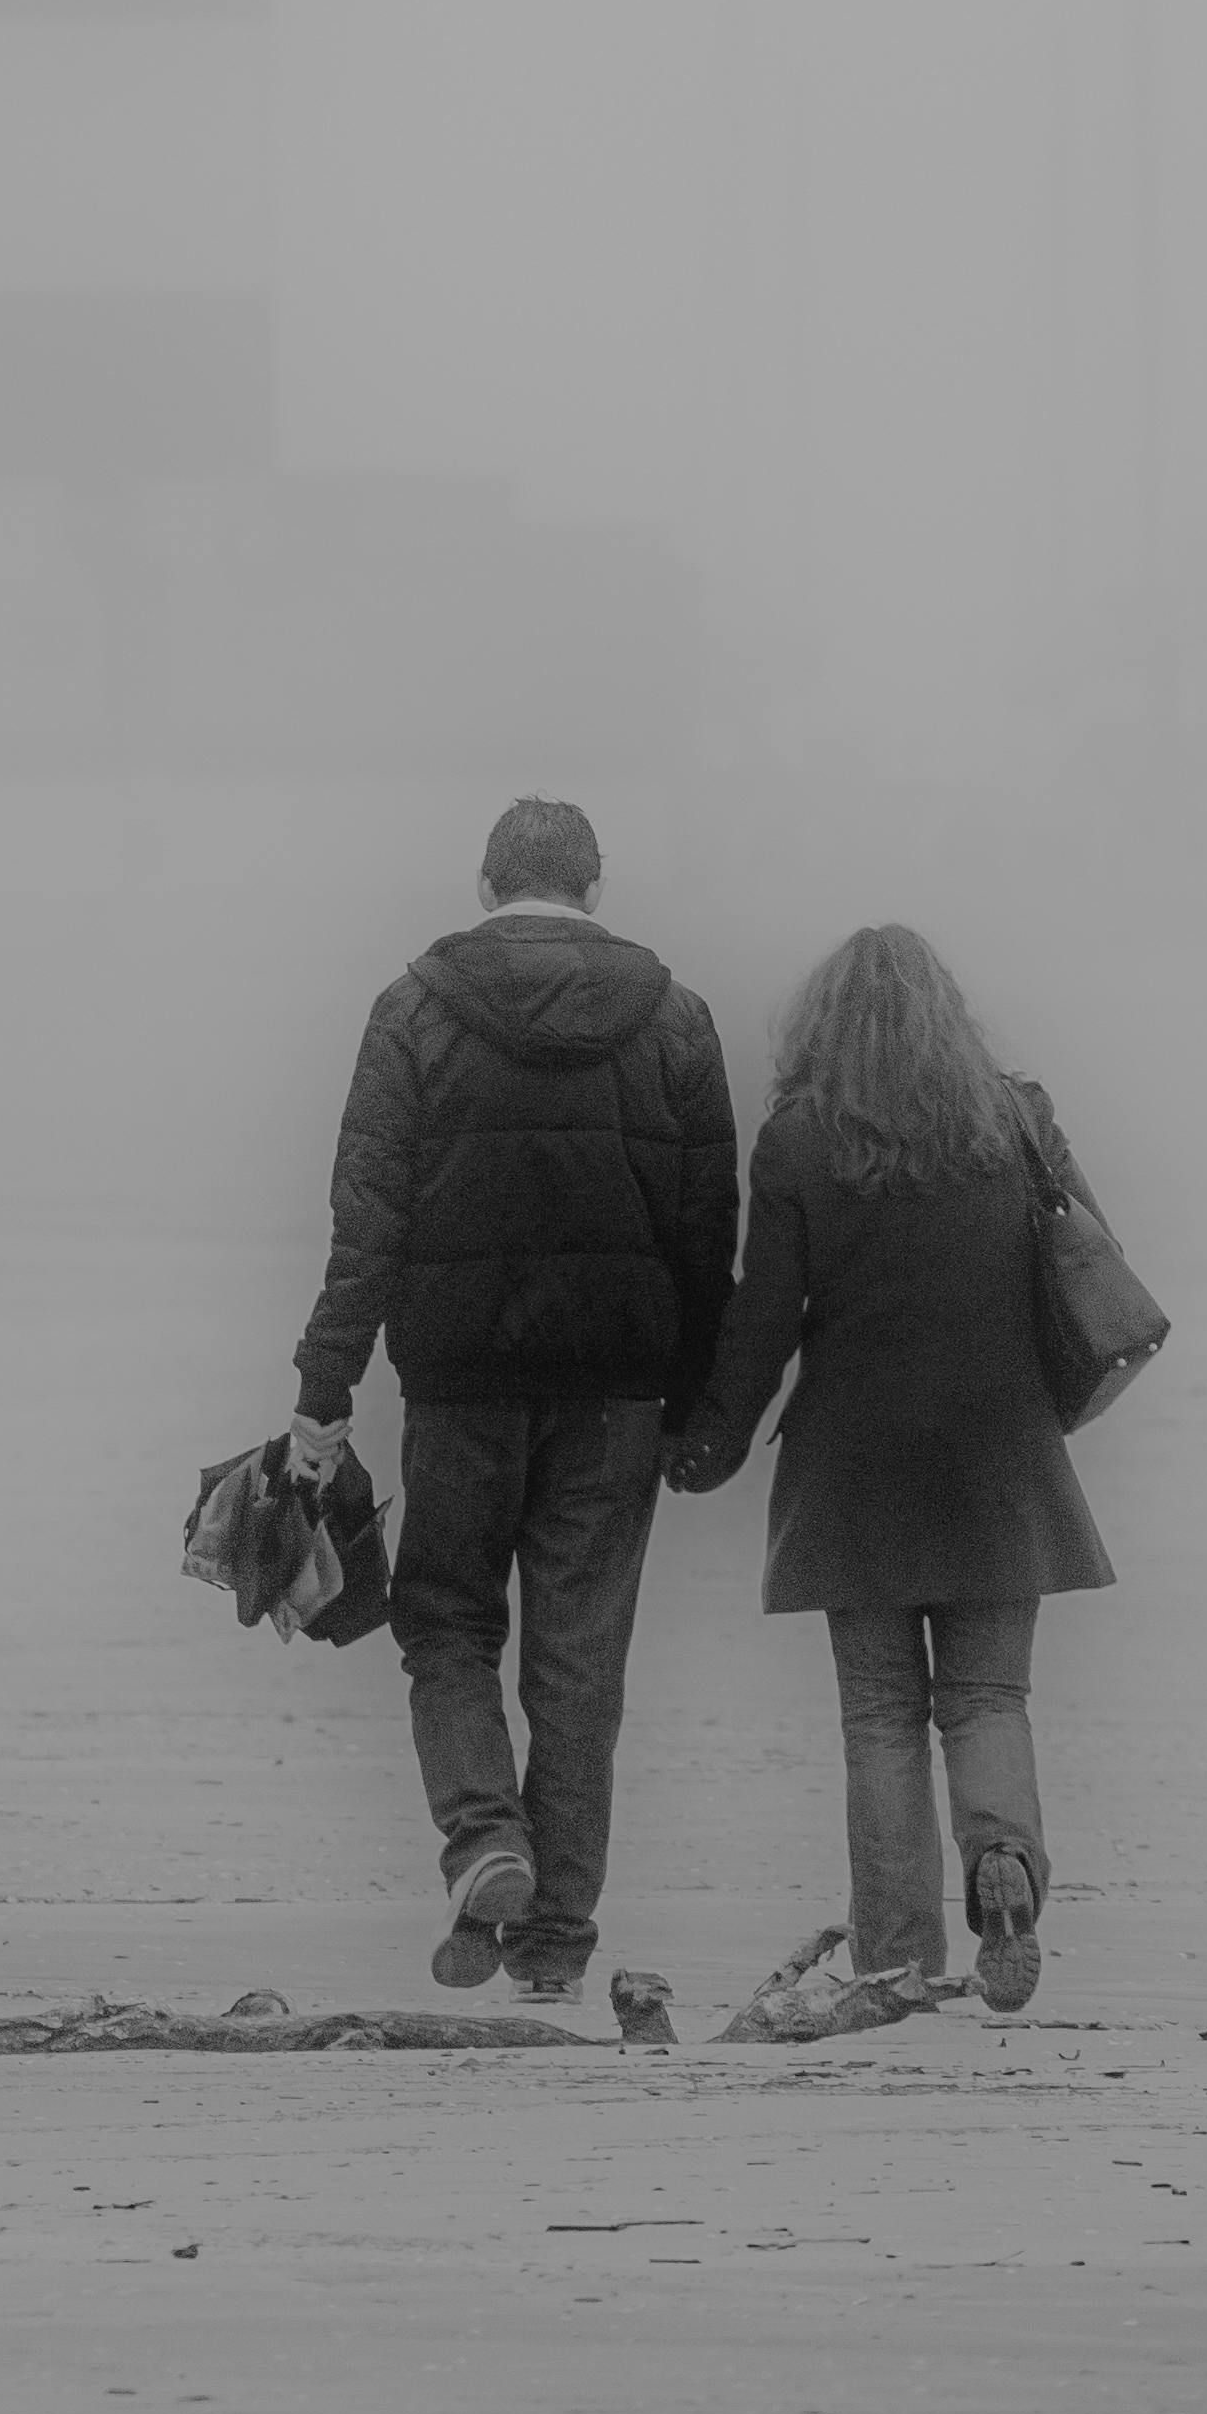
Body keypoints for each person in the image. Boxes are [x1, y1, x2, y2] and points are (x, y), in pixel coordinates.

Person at [280, 796, 741, 2001]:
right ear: (593, 885)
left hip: (459, 1383)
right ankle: (552, 1940)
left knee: (446, 1624)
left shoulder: (414, 1010)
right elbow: (707, 1232)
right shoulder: (676, 1019)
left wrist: (322, 1392)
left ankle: (485, 1838)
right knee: (581, 1664)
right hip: (616, 1394)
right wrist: (695, 1400)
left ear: (487, 885)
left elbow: (365, 1217)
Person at [666, 921, 1119, 2034]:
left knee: (879, 1714)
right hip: (997, 1454)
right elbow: (1086, 1264)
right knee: (986, 1697)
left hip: (856, 1468)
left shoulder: (799, 1143)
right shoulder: (1015, 1118)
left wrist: (706, 1445)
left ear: (823, 1025)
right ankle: (1003, 1861)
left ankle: (898, 1958)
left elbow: (762, 1319)